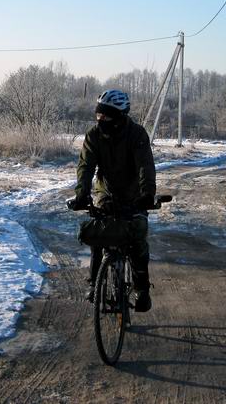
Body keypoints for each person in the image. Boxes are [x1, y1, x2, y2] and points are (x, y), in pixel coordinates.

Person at [73, 89, 156, 313]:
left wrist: (147, 194)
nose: (101, 120)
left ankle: (141, 289)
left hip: (134, 194)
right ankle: (94, 283)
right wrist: (82, 193)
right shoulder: (94, 135)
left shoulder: (137, 134)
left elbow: (145, 167)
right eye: (98, 116)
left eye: (106, 116)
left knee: (138, 235)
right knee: (100, 234)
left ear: (120, 116)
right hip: (106, 192)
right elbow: (85, 166)